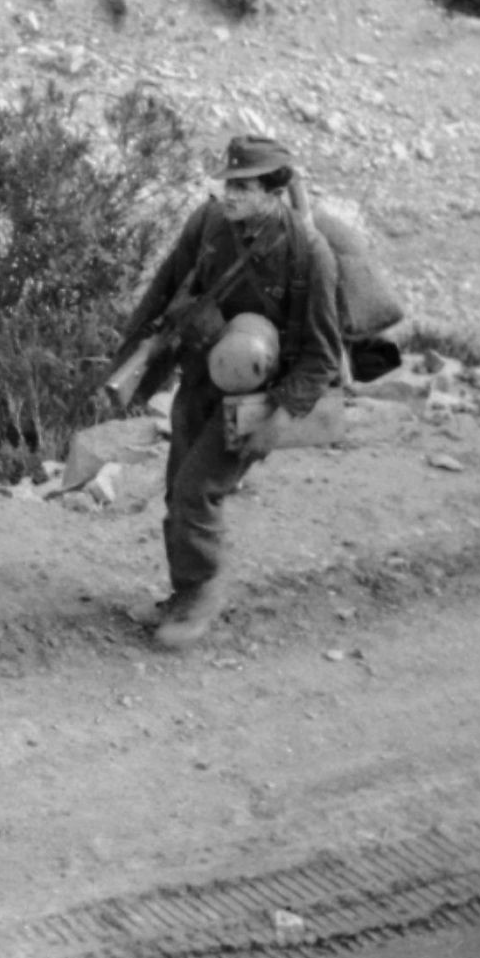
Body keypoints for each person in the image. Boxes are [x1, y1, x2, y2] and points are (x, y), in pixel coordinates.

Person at [118, 135, 342, 650]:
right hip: (201, 377)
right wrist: (132, 353)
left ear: (274, 190)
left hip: (257, 397)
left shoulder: (311, 256)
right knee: (178, 488)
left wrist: (279, 420)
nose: (231, 194)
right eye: (228, 183)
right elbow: (166, 282)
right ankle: (184, 592)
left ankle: (201, 593)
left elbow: (321, 357)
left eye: (243, 185)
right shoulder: (210, 224)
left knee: (199, 491)